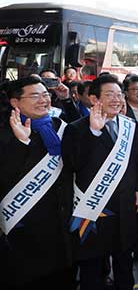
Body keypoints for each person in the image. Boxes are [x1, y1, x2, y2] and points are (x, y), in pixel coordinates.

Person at [61, 74, 138, 290]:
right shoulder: (76, 128)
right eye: (109, 94)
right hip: (94, 209)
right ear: (94, 98)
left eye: (119, 95)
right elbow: (72, 164)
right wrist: (93, 132)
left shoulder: (130, 126)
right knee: (93, 267)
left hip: (126, 207)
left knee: (124, 261)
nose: (116, 99)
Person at [0, 77, 74, 289]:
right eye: (35, 95)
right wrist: (22, 143)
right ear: (15, 102)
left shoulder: (59, 126)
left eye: (45, 94)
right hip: (23, 228)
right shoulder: (5, 131)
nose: (43, 100)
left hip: (61, 225)